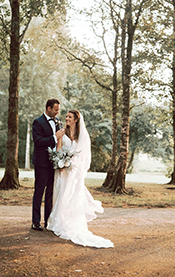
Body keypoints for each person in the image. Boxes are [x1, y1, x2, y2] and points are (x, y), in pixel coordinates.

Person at [47, 110, 114, 248]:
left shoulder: (82, 135)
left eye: (69, 117)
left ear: (76, 120)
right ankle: (58, 222)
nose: (66, 118)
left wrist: (78, 168)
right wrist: (60, 162)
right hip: (62, 170)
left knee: (72, 196)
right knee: (61, 194)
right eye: (66, 116)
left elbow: (84, 156)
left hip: (74, 171)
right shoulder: (62, 132)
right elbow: (58, 149)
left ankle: (71, 222)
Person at [31, 99, 65, 231]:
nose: (57, 112)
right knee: (39, 192)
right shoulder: (37, 122)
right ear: (48, 108)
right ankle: (35, 221)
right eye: (56, 109)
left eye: (58, 110)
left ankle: (48, 221)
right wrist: (54, 137)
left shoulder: (58, 121)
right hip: (41, 164)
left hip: (53, 164)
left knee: (51, 193)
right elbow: (38, 141)